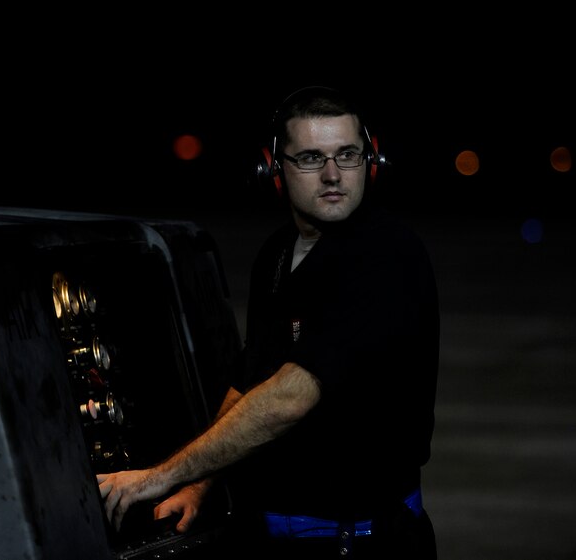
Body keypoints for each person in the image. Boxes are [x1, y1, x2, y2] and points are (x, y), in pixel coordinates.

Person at [96, 85, 440, 558]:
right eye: (311, 159)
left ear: (371, 162)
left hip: (359, 543)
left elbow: (290, 397)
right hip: (272, 537)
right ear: (273, 170)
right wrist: (198, 485)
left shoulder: (385, 255)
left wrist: (159, 477)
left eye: (348, 155)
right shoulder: (277, 256)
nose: (334, 174)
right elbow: (249, 385)